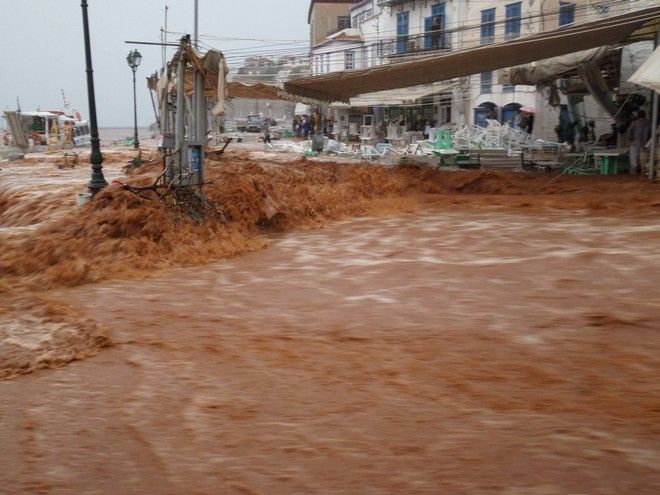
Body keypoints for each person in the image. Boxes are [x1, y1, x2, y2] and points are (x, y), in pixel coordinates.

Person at [626, 110, 651, 175]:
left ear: (638, 115)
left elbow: (628, 131)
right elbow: (651, 134)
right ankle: (643, 172)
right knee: (643, 160)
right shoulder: (648, 123)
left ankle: (633, 173)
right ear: (645, 115)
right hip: (645, 144)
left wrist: (631, 138)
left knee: (633, 160)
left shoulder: (634, 122)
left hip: (634, 143)